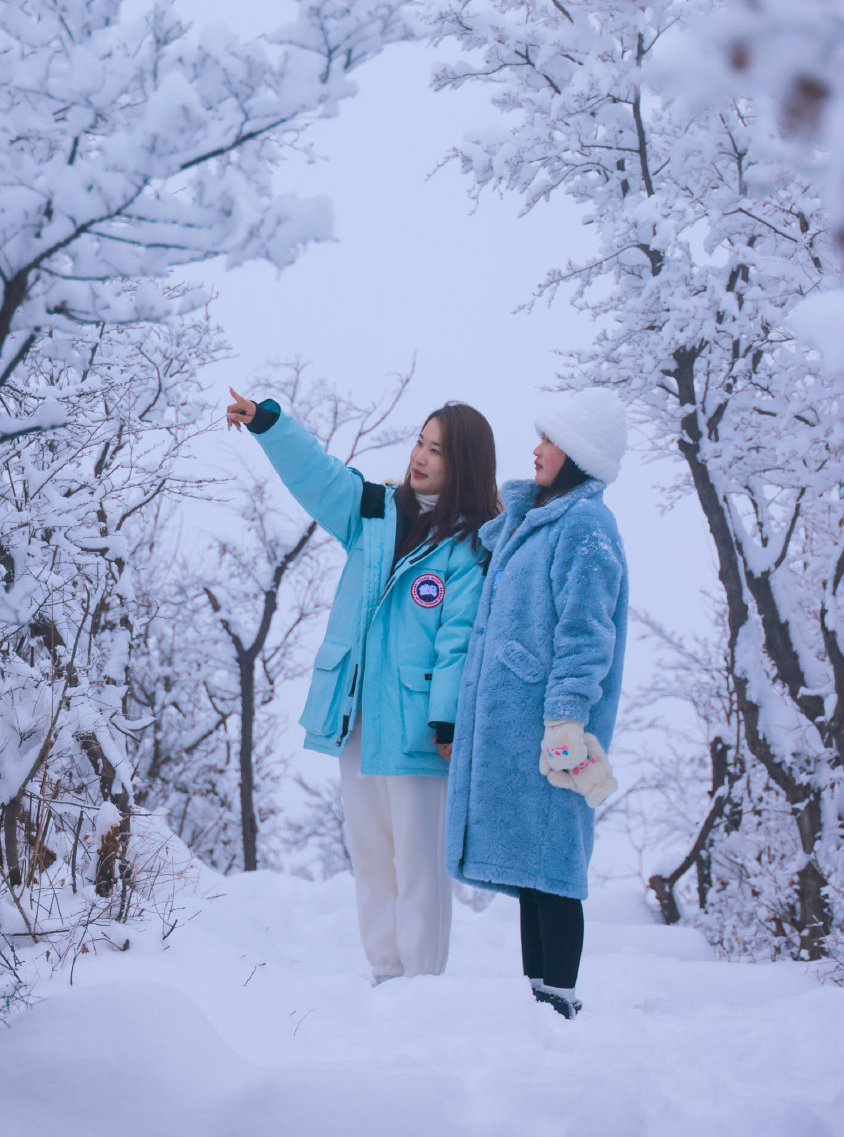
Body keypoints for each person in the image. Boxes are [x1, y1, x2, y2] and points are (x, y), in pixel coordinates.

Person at [226, 387, 498, 983]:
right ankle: (386, 977)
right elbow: (319, 476)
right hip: (357, 721)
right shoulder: (373, 510)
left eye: (437, 452)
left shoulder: (470, 546)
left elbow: (459, 641)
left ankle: (422, 987)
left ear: (464, 467)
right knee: (373, 861)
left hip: (421, 733)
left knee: (418, 867)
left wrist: (447, 719)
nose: (420, 459)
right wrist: (271, 425)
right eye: (420, 444)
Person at [445, 387, 629, 1020]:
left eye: (549, 440)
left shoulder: (587, 525)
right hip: (517, 722)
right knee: (533, 870)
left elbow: (586, 632)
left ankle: (558, 1003)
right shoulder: (538, 518)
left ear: (578, 452)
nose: (536, 449)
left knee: (553, 867)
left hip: (552, 724)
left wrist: (565, 719)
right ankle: (537, 1004)